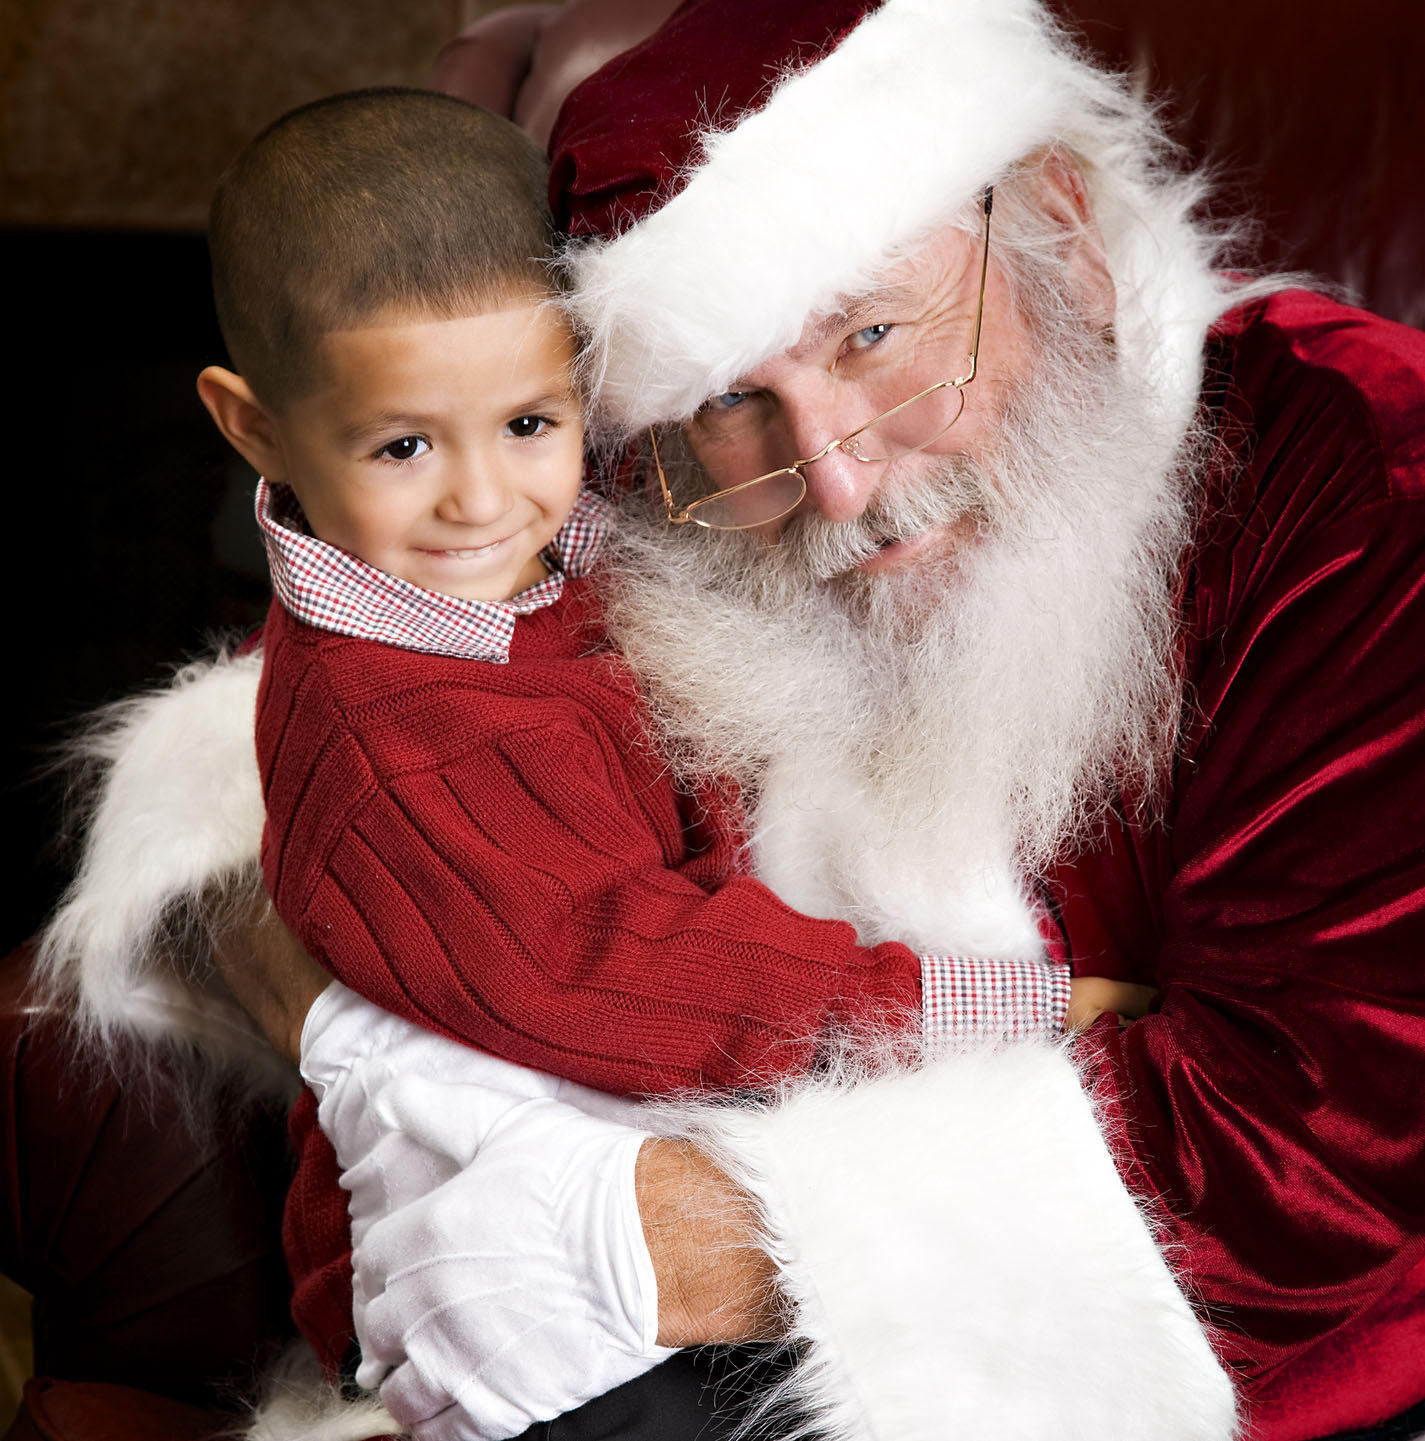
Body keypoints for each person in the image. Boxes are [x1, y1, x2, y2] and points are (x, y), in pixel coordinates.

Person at [35, 0, 1425, 1437]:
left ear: (1060, 229)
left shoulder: (1371, 467)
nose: (832, 475)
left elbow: (1329, 1140)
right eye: (732, 400)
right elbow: (359, 715)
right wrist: (362, 1024)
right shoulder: (631, 484)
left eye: (873, 334)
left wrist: (644, 1244)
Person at [152, 82, 1132, 1436]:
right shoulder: (392, 752)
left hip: (659, 1147)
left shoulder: (547, 562)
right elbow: (622, 972)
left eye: (530, 425)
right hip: (537, 1314)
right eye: (402, 446)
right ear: (255, 426)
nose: (481, 499)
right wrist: (971, 1007)